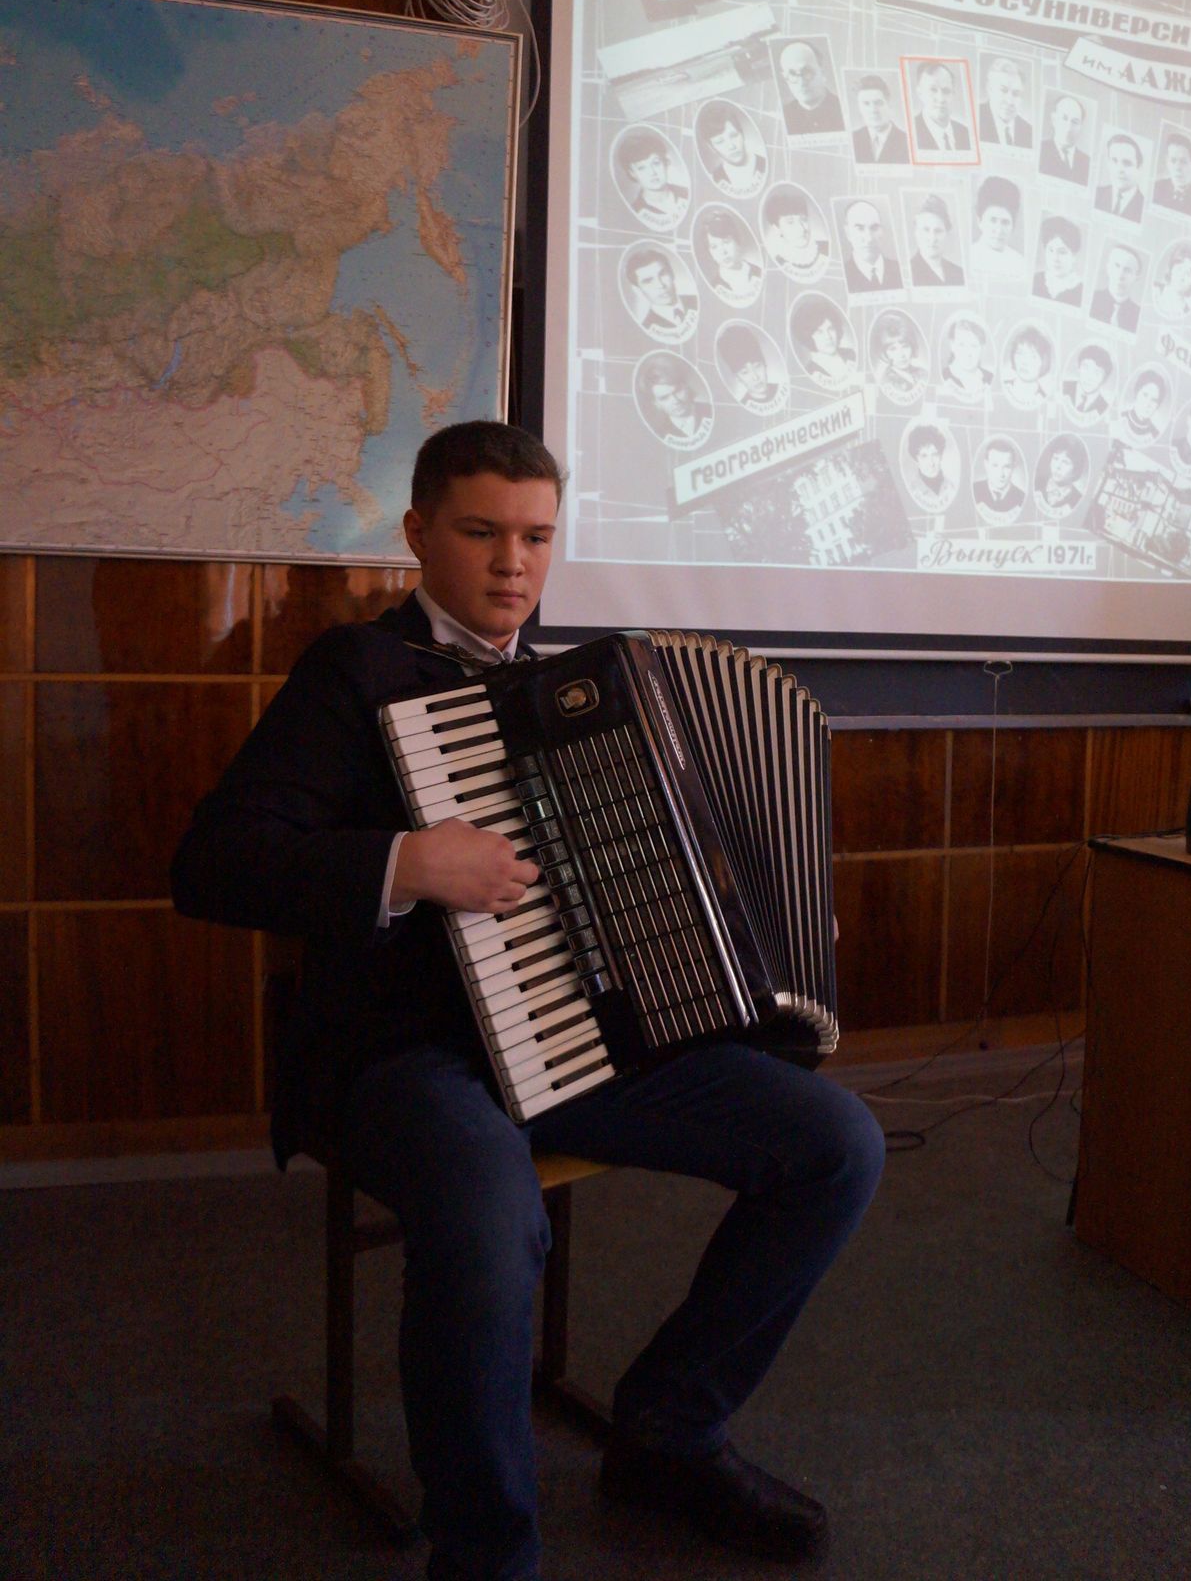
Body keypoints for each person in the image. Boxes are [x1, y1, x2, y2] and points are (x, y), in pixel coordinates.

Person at [170, 420, 885, 1581]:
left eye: (537, 537)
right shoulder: (354, 674)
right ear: (418, 533)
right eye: (481, 532)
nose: (513, 562)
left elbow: (656, 880)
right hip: (408, 1055)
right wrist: (404, 863)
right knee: (492, 1216)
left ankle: (668, 1432)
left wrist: (755, 937)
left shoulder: (596, 694)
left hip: (581, 1039)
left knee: (834, 1145)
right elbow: (214, 865)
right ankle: (486, 1554)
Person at [617, 128, 688, 231]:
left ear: (665, 162)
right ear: (632, 173)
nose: (652, 173)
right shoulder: (635, 212)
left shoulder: (687, 193)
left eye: (656, 163)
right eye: (642, 168)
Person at [639, 353, 713, 447]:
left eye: (677, 391)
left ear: (686, 386)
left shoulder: (712, 411)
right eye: (664, 398)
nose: (675, 401)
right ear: (656, 403)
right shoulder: (660, 434)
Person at [623, 248, 698, 341]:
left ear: (672, 274)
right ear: (638, 290)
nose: (660, 285)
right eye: (648, 281)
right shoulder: (647, 328)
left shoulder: (698, 301)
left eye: (663, 274)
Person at [777, 38, 845, 135]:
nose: (801, 82)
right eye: (792, 73)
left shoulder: (844, 110)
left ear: (822, 71)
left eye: (807, 71)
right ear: (785, 77)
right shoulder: (782, 117)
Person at [697, 103, 766, 196]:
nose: (731, 146)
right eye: (720, 141)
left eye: (733, 135)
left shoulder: (766, 164)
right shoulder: (715, 180)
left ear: (742, 134)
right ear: (711, 147)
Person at [761, 185, 829, 280]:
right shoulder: (778, 264)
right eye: (790, 222)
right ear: (777, 228)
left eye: (803, 219)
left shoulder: (826, 248)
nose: (801, 228)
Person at [910, 60, 974, 158]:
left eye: (946, 91)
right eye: (933, 90)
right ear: (920, 93)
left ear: (953, 94)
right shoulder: (910, 133)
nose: (941, 99)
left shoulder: (966, 134)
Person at [790, 297, 859, 388]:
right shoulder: (811, 373)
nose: (828, 336)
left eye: (830, 329)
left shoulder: (851, 354)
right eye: (819, 332)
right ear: (808, 337)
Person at [699, 209, 762, 305]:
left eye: (726, 242)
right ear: (710, 253)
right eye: (714, 247)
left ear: (737, 241)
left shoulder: (759, 272)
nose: (723, 252)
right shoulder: (714, 287)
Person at [840, 197, 903, 292]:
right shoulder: (841, 276)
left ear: (882, 231)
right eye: (860, 228)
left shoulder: (901, 270)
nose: (869, 238)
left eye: (874, 228)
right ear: (848, 233)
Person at [970, 175, 1025, 280]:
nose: (999, 230)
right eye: (993, 220)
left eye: (1005, 222)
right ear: (979, 221)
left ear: (1013, 226)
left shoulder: (1020, 263)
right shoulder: (970, 257)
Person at [718, 323, 782, 410]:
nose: (755, 377)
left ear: (764, 364)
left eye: (757, 366)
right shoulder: (741, 408)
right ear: (737, 377)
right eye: (745, 372)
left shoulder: (782, 389)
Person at [851, 73, 909, 164]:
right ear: (859, 108)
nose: (873, 110)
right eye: (866, 104)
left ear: (889, 104)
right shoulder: (852, 139)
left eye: (878, 103)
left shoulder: (907, 141)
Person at [909, 193, 965, 286]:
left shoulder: (959, 274)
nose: (932, 238)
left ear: (946, 234)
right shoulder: (907, 273)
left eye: (938, 231)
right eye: (926, 230)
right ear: (916, 232)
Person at [872, 310, 928, 402]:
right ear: (885, 353)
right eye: (893, 349)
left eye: (905, 346)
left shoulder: (923, 373)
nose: (901, 354)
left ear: (912, 346)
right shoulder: (886, 382)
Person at [979, 56, 1033, 149]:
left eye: (1016, 93)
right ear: (989, 88)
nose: (1009, 101)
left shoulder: (1029, 132)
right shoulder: (975, 118)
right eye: (1003, 90)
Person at [1090, 243, 1142, 333]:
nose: (1120, 275)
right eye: (1117, 266)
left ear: (1136, 278)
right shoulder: (1091, 299)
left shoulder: (1139, 315)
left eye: (1127, 270)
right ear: (1108, 267)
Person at [1039, 93, 1090, 184]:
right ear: (1054, 119)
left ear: (1080, 127)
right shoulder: (1040, 150)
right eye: (1064, 118)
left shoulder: (1087, 162)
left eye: (1075, 122)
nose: (1068, 127)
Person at [1033, 216, 1084, 306]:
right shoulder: (1035, 280)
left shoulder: (1082, 292)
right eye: (1051, 250)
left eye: (1062, 252)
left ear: (1074, 256)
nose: (1055, 258)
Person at [939, 316, 992, 402]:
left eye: (974, 346)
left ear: (982, 348)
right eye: (961, 345)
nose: (968, 353)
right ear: (952, 345)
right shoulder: (943, 377)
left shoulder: (990, 378)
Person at [1095, 133, 1145, 223]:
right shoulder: (1096, 194)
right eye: (1114, 161)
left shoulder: (1144, 208)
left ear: (1139, 168)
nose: (1119, 169)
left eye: (1127, 163)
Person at [1002, 325, 1054, 411]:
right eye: (1020, 353)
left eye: (1033, 356)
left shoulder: (1044, 399)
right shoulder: (1003, 388)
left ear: (1043, 361)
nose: (1024, 362)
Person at [905, 421, 954, 510]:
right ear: (916, 459)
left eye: (934, 454)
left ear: (941, 456)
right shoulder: (911, 490)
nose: (931, 463)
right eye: (924, 456)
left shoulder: (952, 487)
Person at [1034, 437, 1086, 517]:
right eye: (1055, 458)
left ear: (1076, 469)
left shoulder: (1078, 501)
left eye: (1065, 462)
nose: (1058, 466)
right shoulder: (1035, 483)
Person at [1062, 344, 1115, 422]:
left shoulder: (1104, 408)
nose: (1089, 377)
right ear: (1078, 368)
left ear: (1104, 379)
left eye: (1097, 372)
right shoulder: (1063, 388)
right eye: (1086, 367)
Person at [973, 438, 1025, 516]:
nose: (1001, 474)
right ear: (986, 464)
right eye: (995, 466)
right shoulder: (974, 490)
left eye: (1006, 467)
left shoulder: (1021, 497)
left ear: (1013, 467)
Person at [1150, 242, 1191, 322]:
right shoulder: (1153, 290)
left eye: (1188, 273)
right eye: (1179, 269)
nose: (1181, 276)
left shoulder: (1188, 314)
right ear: (1171, 270)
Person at [1153, 131, 1191, 216]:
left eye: (1183, 161)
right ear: (1167, 162)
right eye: (1173, 161)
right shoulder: (1157, 188)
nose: (1177, 168)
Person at [1118, 371, 1168, 443]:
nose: (1148, 404)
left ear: (1157, 405)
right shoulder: (1119, 418)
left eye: (1154, 400)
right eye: (1145, 395)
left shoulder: (1155, 435)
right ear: (1137, 393)